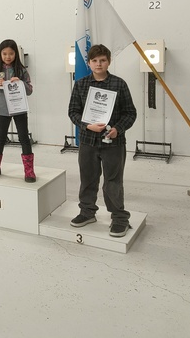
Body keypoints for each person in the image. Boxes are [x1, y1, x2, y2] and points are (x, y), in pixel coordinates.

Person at [68, 44, 137, 238]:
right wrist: (87, 126)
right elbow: (73, 111)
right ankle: (87, 212)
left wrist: (118, 129)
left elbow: (130, 113)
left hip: (113, 143)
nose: (99, 64)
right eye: (95, 61)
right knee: (87, 179)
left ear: (109, 61)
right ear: (89, 63)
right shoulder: (81, 84)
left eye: (103, 60)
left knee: (113, 182)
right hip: (88, 141)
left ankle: (119, 218)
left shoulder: (119, 84)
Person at [0, 39, 36, 182]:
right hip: (2, 110)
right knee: (0, 138)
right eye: (4, 53)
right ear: (0, 54)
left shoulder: (22, 70)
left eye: (11, 53)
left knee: (24, 138)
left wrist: (21, 83)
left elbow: (30, 90)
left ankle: (29, 171)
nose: (8, 56)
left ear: (16, 54)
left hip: (19, 109)